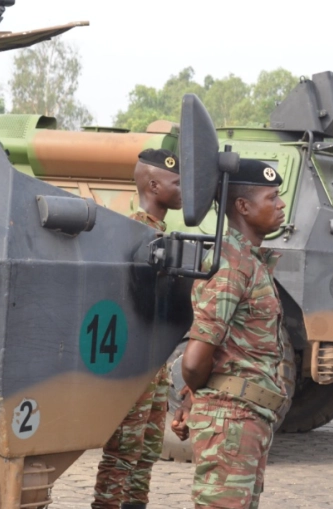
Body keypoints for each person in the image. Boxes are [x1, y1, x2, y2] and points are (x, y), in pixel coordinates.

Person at [171, 159, 287, 509]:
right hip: (231, 418)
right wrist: (198, 395)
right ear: (243, 206)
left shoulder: (249, 260)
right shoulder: (231, 265)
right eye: (272, 197)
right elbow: (194, 361)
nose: (281, 204)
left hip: (247, 415)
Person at [92, 149, 182, 509]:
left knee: (146, 451)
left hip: (154, 364)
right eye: (177, 183)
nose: (183, 190)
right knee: (123, 452)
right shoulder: (130, 234)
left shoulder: (159, 235)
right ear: (154, 185)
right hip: (132, 363)